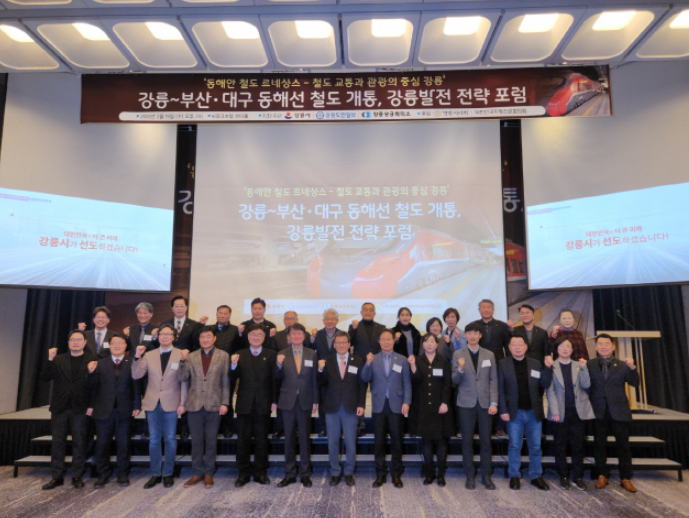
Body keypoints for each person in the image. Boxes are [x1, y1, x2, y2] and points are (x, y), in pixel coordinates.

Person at [131, 323, 187, 489]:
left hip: (172, 402)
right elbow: (136, 375)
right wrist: (137, 357)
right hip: (152, 402)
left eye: (168, 334)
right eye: (162, 334)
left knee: (170, 439)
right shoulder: (149, 355)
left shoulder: (181, 354)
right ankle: (155, 473)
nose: (165, 337)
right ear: (158, 337)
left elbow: (184, 380)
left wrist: (183, 403)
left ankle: (168, 473)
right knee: (154, 439)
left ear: (173, 337)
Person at [40, 330, 96, 490]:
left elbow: (96, 385)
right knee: (57, 443)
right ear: (68, 342)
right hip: (60, 407)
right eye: (72, 339)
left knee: (80, 443)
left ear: (85, 342)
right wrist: (49, 358)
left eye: (79, 339)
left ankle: (77, 476)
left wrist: (92, 405)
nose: (75, 342)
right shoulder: (58, 359)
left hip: (81, 408)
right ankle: (56, 477)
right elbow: (45, 377)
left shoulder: (92, 359)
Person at [85, 334, 141, 488]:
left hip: (125, 410)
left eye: (120, 343)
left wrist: (137, 405)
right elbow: (92, 387)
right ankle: (102, 474)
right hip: (103, 410)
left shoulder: (132, 362)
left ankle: (123, 474)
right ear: (109, 346)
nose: (117, 345)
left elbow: (136, 386)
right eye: (114, 343)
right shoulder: (99, 363)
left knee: (124, 444)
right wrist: (90, 373)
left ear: (126, 346)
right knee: (102, 443)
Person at [498, 336, 553, 491]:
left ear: (525, 346)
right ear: (509, 347)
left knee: (535, 446)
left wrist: (548, 368)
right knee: (515, 445)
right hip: (513, 412)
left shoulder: (536, 363)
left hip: (533, 412)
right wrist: (503, 410)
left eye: (520, 344)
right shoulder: (503, 364)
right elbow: (500, 389)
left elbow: (545, 383)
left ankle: (536, 476)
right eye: (513, 344)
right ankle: (514, 475)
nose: (517, 347)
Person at [178, 326, 230, 488]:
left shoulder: (223, 355)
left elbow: (226, 380)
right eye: (202, 337)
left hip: (215, 404)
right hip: (194, 404)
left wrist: (225, 402)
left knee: (211, 441)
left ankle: (209, 472)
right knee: (197, 441)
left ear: (214, 338)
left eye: (208, 336)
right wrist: (182, 361)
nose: (205, 339)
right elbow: (182, 377)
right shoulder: (191, 356)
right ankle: (198, 472)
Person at [588, 333, 639, 493]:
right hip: (598, 410)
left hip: (619, 411)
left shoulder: (623, 365)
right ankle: (602, 475)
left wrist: (633, 368)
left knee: (623, 446)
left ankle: (626, 478)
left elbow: (634, 383)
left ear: (613, 346)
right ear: (596, 347)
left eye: (607, 344)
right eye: (600, 344)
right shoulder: (589, 364)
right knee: (599, 445)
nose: (603, 346)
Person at [360, 329, 411, 489]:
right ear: (379, 341)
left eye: (389, 339)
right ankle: (380, 474)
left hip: (397, 404)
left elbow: (407, 382)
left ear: (393, 341)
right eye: (383, 339)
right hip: (378, 405)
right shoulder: (373, 359)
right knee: (379, 441)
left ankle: (396, 474)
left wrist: (407, 402)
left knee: (397, 441)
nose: (386, 342)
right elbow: (364, 378)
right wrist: (367, 364)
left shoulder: (402, 359)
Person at [452, 322, 498, 490]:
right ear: (465, 335)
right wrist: (461, 368)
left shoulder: (489, 354)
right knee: (467, 442)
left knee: (486, 441)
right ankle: (469, 475)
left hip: (485, 403)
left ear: (480, 335)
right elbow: (455, 380)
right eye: (469, 333)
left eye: (475, 333)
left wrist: (494, 402)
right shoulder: (458, 354)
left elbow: (493, 379)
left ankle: (486, 476)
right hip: (466, 403)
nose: (472, 336)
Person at [317, 331, 366, 487]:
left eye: (344, 342)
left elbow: (362, 384)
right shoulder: (328, 361)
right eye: (338, 342)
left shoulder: (357, 360)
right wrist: (320, 370)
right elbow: (322, 383)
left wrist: (361, 404)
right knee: (332, 442)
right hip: (332, 407)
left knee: (350, 442)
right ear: (334, 344)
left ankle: (349, 472)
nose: (341, 345)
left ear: (349, 344)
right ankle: (335, 472)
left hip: (351, 407)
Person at [231, 324, 277, 487]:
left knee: (261, 440)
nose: (256, 337)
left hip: (263, 403)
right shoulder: (240, 354)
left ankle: (260, 472)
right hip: (244, 403)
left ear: (264, 337)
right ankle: (243, 473)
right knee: (242, 440)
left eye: (259, 334)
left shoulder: (271, 354)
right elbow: (232, 377)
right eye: (253, 334)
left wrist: (274, 400)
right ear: (248, 336)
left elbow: (274, 379)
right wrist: (233, 365)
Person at [546, 338, 595, 490]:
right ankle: (563, 476)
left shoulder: (578, 365)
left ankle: (578, 476)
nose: (565, 349)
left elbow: (586, 385)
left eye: (568, 346)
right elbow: (550, 391)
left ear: (572, 350)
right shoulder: (551, 366)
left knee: (578, 446)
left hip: (577, 412)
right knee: (560, 446)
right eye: (561, 346)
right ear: (557, 349)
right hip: (559, 412)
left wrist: (584, 368)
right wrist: (554, 411)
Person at [274, 323, 319, 488]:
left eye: (300, 334)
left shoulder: (311, 354)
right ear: (289, 337)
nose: (297, 337)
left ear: (304, 336)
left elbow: (314, 379)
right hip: (287, 402)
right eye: (293, 334)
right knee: (289, 439)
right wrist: (278, 366)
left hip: (305, 401)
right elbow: (276, 378)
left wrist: (315, 400)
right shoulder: (281, 354)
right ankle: (290, 473)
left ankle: (306, 474)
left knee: (305, 439)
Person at [409, 333, 454, 486]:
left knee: (441, 442)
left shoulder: (443, 361)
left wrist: (445, 402)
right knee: (426, 442)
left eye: (432, 341)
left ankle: (441, 474)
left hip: (440, 406)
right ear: (422, 344)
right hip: (422, 407)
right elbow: (415, 381)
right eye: (426, 341)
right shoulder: (417, 360)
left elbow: (447, 384)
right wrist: (413, 366)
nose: (429, 344)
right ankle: (429, 474)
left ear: (437, 344)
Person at [311, 308, 342, 438]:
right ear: (323, 321)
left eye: (332, 319)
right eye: (327, 319)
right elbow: (310, 350)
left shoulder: (342, 334)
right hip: (321, 373)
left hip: (338, 373)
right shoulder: (317, 335)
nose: (329, 321)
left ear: (337, 320)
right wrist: (311, 339)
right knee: (323, 402)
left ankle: (339, 428)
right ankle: (324, 428)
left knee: (338, 401)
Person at [212, 304, 240, 438]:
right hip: (212, 370)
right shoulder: (210, 329)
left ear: (229, 315)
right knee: (214, 399)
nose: (223, 315)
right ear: (216, 314)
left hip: (229, 370)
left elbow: (240, 347)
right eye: (220, 313)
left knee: (227, 399)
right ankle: (215, 427)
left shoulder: (235, 330)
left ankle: (227, 428)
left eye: (225, 313)